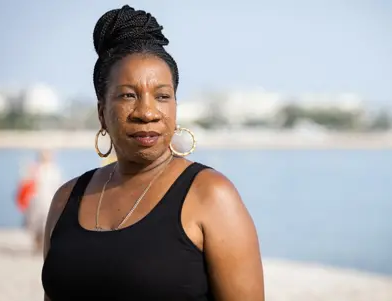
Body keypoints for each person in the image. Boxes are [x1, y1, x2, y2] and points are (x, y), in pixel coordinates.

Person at [41, 5, 264, 301]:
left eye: (162, 96)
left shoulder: (211, 195)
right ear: (102, 113)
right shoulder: (66, 199)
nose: (147, 112)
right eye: (128, 95)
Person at [22, 149, 62, 254]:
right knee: (37, 224)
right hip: (37, 200)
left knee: (45, 223)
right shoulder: (36, 169)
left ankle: (42, 245)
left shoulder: (53, 169)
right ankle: (37, 245)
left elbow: (58, 185)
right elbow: (27, 184)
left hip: (47, 199)